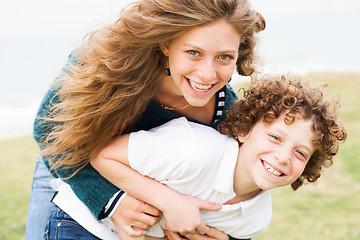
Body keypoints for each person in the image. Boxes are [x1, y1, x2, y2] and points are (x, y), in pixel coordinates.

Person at [25, 0, 266, 239]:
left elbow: (240, 195)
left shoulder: (229, 117)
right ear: (166, 44)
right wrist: (112, 202)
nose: (207, 74)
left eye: (224, 57)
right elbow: (47, 129)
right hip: (70, 157)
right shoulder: (108, 62)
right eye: (193, 52)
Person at [51, 74, 346, 240]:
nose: (283, 157)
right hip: (84, 221)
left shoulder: (257, 218)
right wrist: (170, 201)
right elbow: (102, 155)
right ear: (244, 130)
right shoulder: (192, 149)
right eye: (275, 137)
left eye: (300, 153)